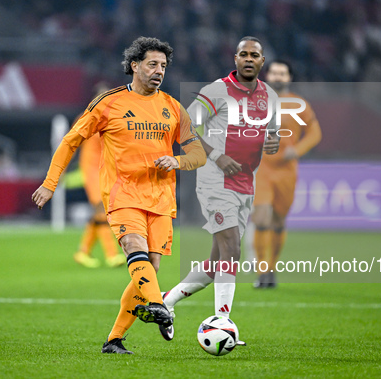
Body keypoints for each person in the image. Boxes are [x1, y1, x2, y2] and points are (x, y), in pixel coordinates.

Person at [31, 36, 206, 354]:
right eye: (152, 64)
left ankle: (114, 340)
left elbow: (198, 154)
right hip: (122, 193)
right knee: (134, 248)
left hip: (162, 199)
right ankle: (159, 307)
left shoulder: (172, 107)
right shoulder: (108, 103)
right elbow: (71, 141)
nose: (159, 71)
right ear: (134, 66)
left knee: (148, 271)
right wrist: (50, 183)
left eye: (163, 66)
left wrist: (177, 160)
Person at [162, 36, 280, 340]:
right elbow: (185, 126)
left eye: (255, 55)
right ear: (236, 59)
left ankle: (167, 300)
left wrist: (273, 142)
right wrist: (216, 154)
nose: (249, 59)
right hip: (215, 179)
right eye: (244, 54)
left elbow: (273, 136)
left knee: (217, 262)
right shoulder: (217, 91)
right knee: (233, 249)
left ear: (262, 61)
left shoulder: (270, 96)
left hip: (246, 183)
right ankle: (221, 322)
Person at [251, 60, 321, 288]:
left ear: (289, 78)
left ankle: (271, 268)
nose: (278, 77)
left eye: (283, 73)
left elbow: (314, 133)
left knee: (279, 222)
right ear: (267, 76)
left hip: (286, 171)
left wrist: (297, 150)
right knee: (261, 218)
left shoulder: (299, 104)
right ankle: (261, 271)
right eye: (274, 73)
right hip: (262, 168)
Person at [72, 82, 125, 268]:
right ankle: (112, 255)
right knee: (101, 210)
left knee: (100, 212)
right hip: (91, 170)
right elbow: (71, 144)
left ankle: (82, 252)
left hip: (107, 171)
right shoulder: (86, 118)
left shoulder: (113, 119)